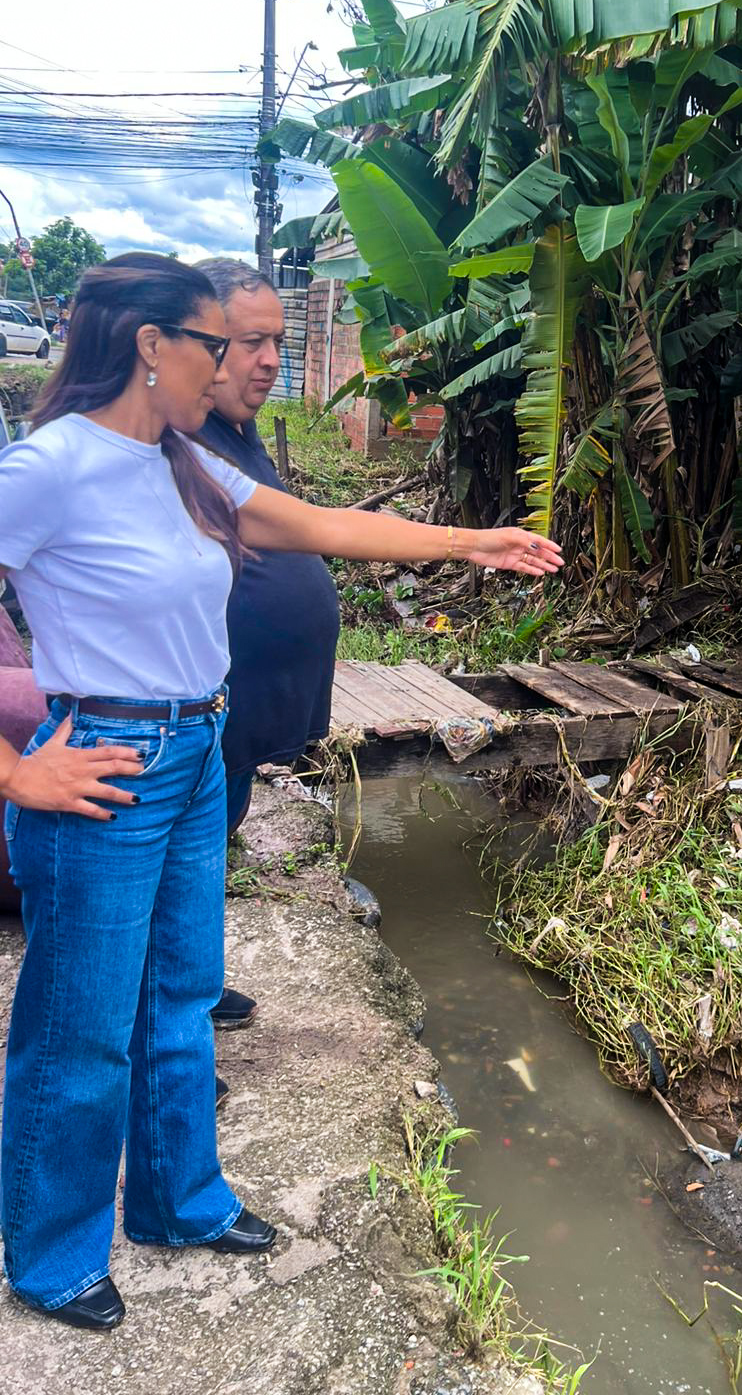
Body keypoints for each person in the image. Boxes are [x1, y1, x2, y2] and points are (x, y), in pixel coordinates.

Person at [0, 253, 561, 1332]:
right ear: (150, 344)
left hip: (194, 748)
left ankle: (179, 1201)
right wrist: (20, 768)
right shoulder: (50, 466)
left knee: (178, 996)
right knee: (82, 1026)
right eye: (216, 345)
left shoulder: (181, 462)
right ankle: (52, 1253)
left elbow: (319, 525)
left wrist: (471, 541)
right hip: (104, 765)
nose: (232, 365)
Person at [190, 258, 341, 1048]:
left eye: (277, 342)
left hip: (239, 718)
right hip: (188, 716)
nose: (269, 361)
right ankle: (169, 1039)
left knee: (209, 855)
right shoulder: (174, 444)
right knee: (169, 882)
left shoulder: (236, 431)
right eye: (251, 342)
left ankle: (194, 989)